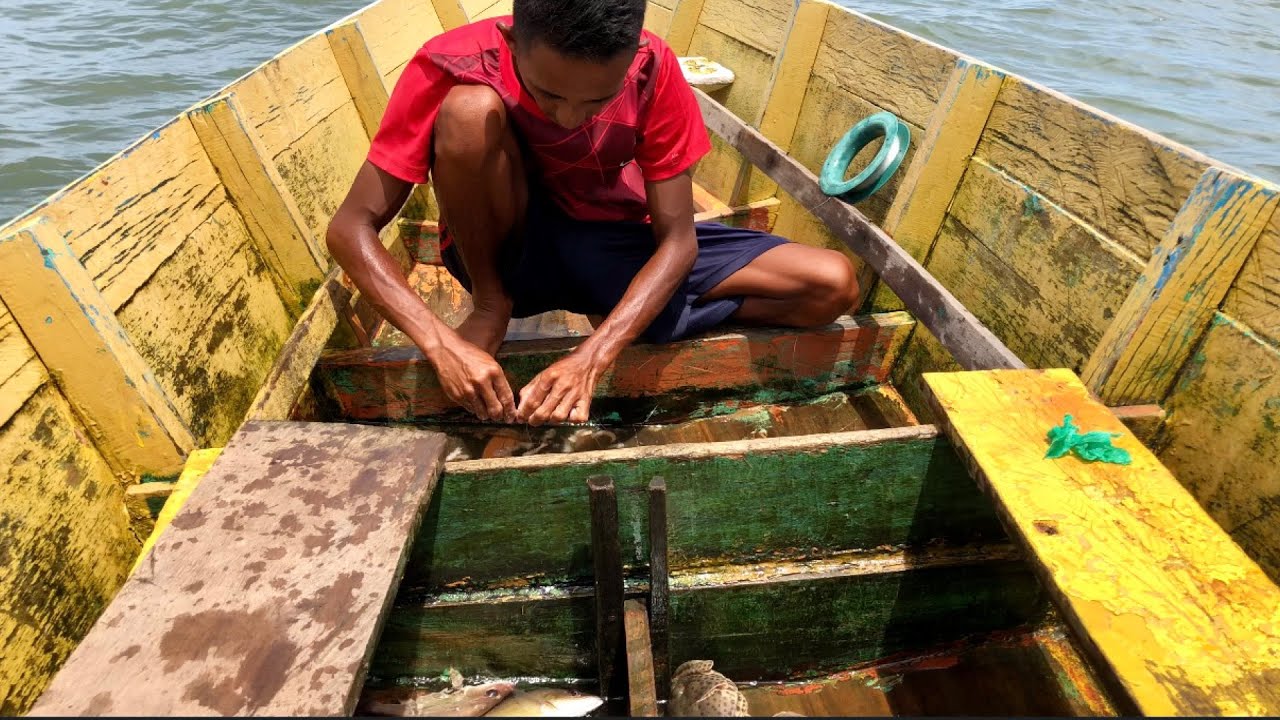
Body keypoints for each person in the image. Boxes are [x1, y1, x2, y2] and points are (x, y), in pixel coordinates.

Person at [325, 0, 860, 426]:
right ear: (513, 41)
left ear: (631, 59)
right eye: (547, 94)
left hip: (607, 244)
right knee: (468, 113)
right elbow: (351, 227)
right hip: (504, 250)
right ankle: (493, 306)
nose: (566, 117)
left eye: (597, 100)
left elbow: (677, 240)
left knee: (831, 286)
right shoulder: (453, 60)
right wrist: (438, 341)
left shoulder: (654, 68)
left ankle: (628, 312)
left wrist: (595, 355)